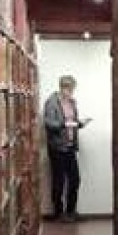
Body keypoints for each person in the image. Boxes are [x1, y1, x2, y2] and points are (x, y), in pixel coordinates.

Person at [43, 75, 90, 222]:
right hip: (57, 148)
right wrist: (64, 124)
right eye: (68, 89)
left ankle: (70, 212)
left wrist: (80, 123)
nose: (70, 93)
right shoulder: (51, 102)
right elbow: (49, 123)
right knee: (59, 181)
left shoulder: (72, 102)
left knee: (75, 180)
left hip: (70, 147)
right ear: (62, 88)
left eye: (72, 90)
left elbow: (72, 122)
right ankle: (58, 213)